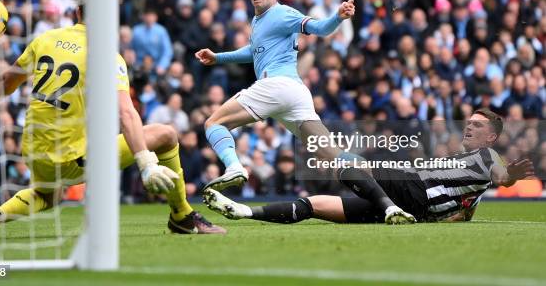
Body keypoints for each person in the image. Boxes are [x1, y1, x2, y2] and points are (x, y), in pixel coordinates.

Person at [0, 0, 225, 240]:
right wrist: (145, 162)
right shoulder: (106, 55)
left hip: (33, 148)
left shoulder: (46, 38)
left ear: (77, 12)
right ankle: (182, 216)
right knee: (166, 135)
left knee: (47, 193)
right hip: (71, 157)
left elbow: (7, 79)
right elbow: (126, 111)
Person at [204, 109, 535, 225]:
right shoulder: (462, 162)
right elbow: (465, 204)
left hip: (412, 192)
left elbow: (500, 177)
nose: (468, 127)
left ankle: (389, 207)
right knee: (317, 205)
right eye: (469, 122)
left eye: (477, 126)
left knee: (349, 164)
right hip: (412, 207)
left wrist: (508, 178)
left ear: (491, 137)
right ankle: (244, 212)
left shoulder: (489, 158)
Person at [195, 0, 355, 190]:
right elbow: (254, 51)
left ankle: (235, 168)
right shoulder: (258, 20)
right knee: (334, 155)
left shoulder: (282, 13)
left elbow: (320, 29)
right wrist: (218, 58)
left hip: (275, 86)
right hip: (295, 93)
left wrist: (338, 16)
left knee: (214, 123)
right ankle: (387, 190)